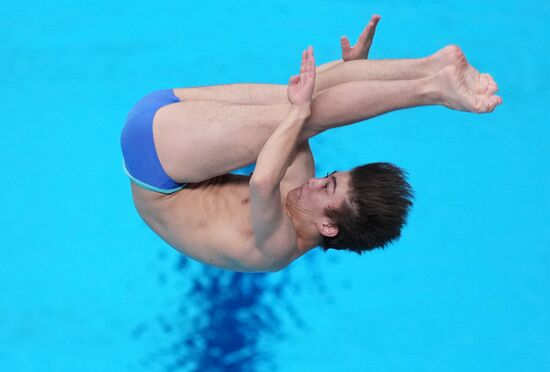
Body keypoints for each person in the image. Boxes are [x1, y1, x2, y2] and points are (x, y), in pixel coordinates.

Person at [120, 15, 501, 272]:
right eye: (330, 177)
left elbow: (263, 180)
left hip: (154, 161)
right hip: (166, 116)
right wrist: (352, 72)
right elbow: (299, 105)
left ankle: (432, 85)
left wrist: (313, 105)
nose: (317, 180)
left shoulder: (278, 247)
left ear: (328, 227)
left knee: (303, 115)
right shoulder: (299, 198)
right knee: (297, 107)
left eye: (328, 187)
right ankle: (430, 71)